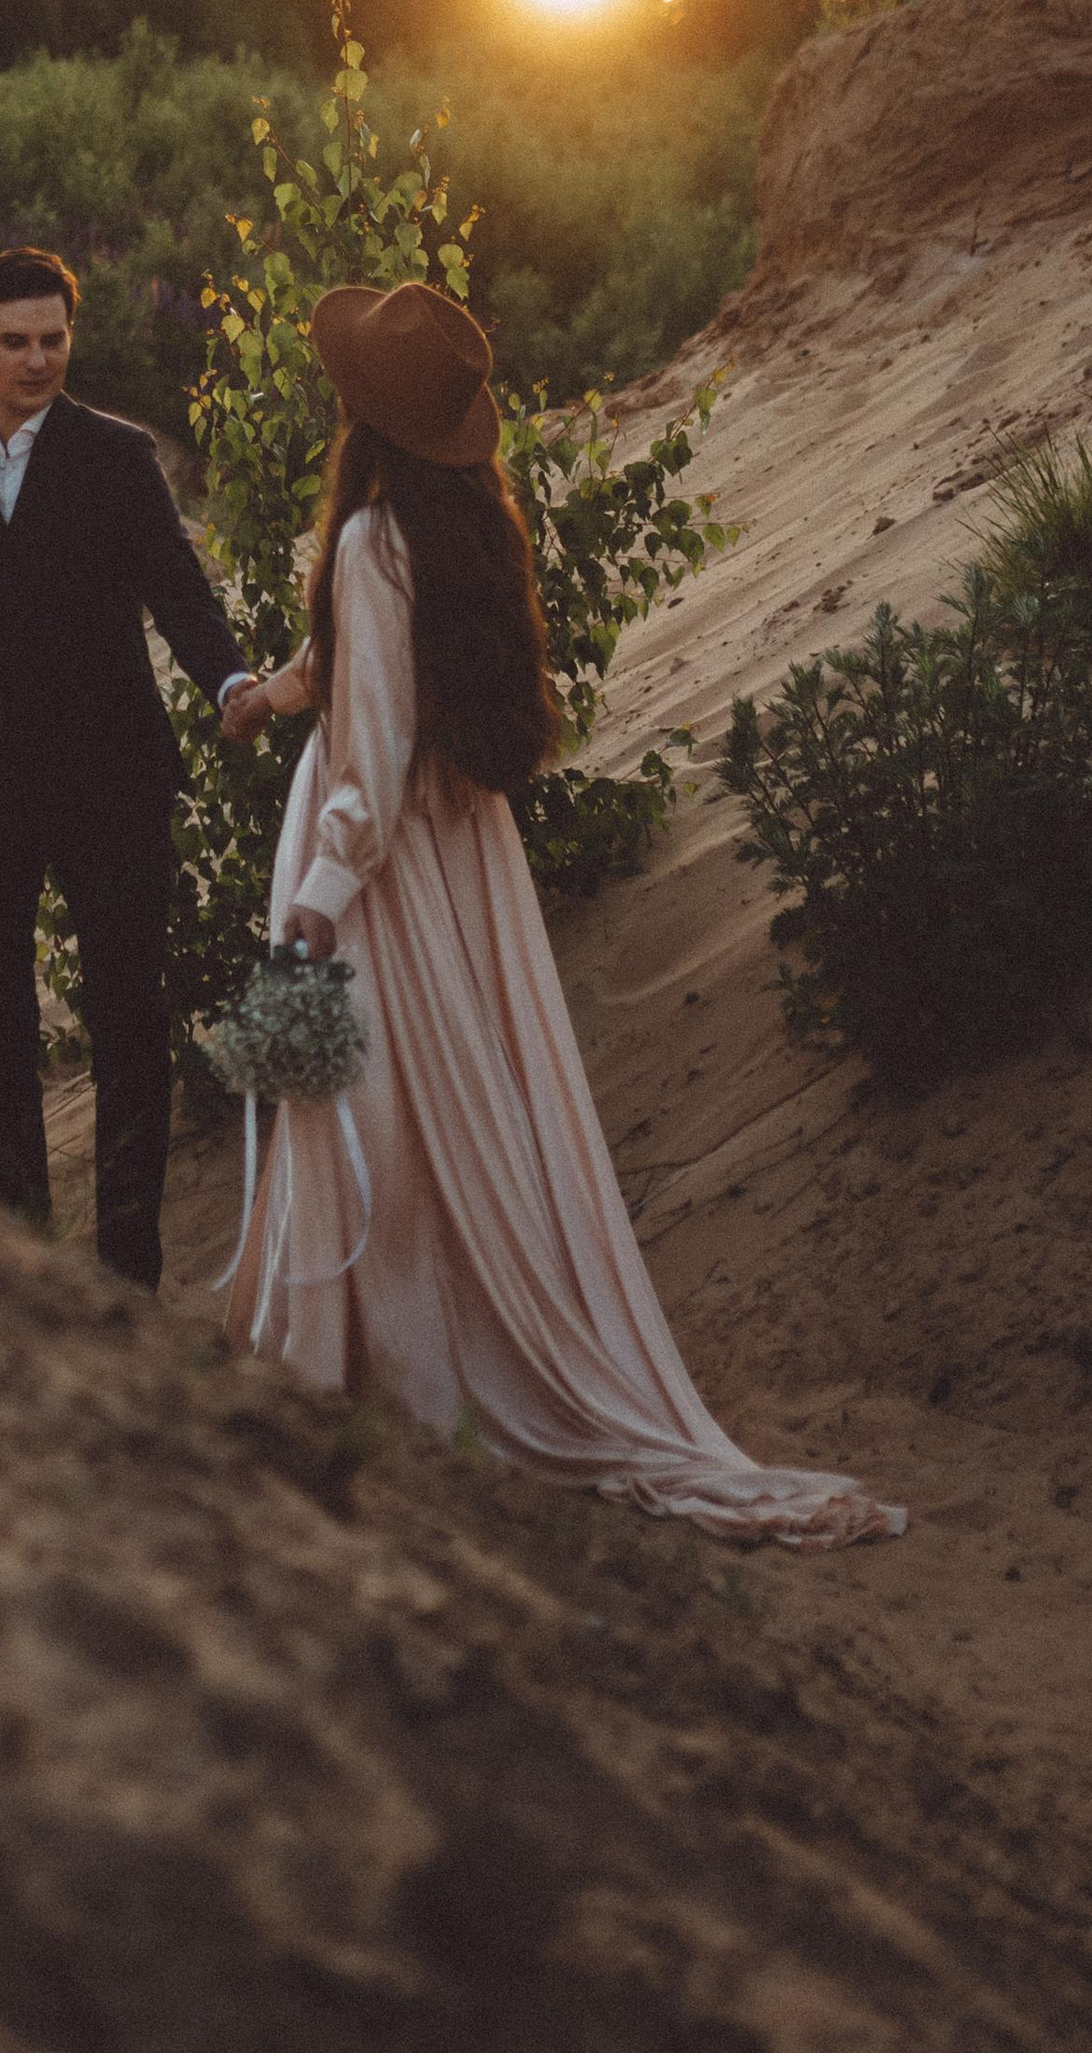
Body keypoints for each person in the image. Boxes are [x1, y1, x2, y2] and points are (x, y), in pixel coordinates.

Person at [221, 277, 904, 1547]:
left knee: (384, 1124)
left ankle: (403, 1378)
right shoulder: (460, 517)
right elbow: (363, 671)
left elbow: (372, 755)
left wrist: (319, 898)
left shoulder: (373, 539)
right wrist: (272, 693)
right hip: (461, 855)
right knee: (442, 1109)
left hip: (384, 872)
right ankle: (411, 1358)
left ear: (361, 410)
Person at [0, 245, 260, 1289]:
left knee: (129, 1024)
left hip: (111, 786)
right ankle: (18, 1277)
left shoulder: (117, 455)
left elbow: (178, 591)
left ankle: (124, 1280)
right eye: (15, 342)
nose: (38, 360)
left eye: (53, 339)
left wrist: (228, 683)